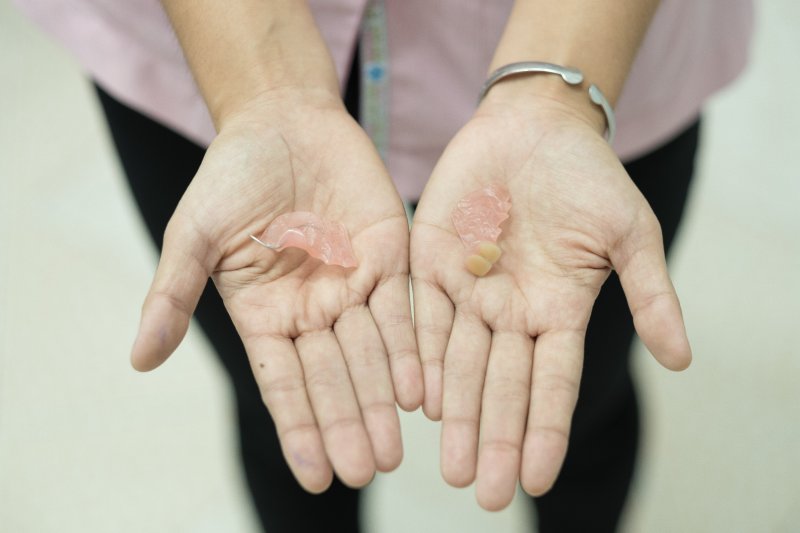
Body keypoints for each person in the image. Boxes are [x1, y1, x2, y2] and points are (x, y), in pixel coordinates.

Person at [15, 0, 753, 531]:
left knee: (576, 395)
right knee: (285, 400)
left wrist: (558, 91)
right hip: (208, 41)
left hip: (598, 44)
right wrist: (260, 86)